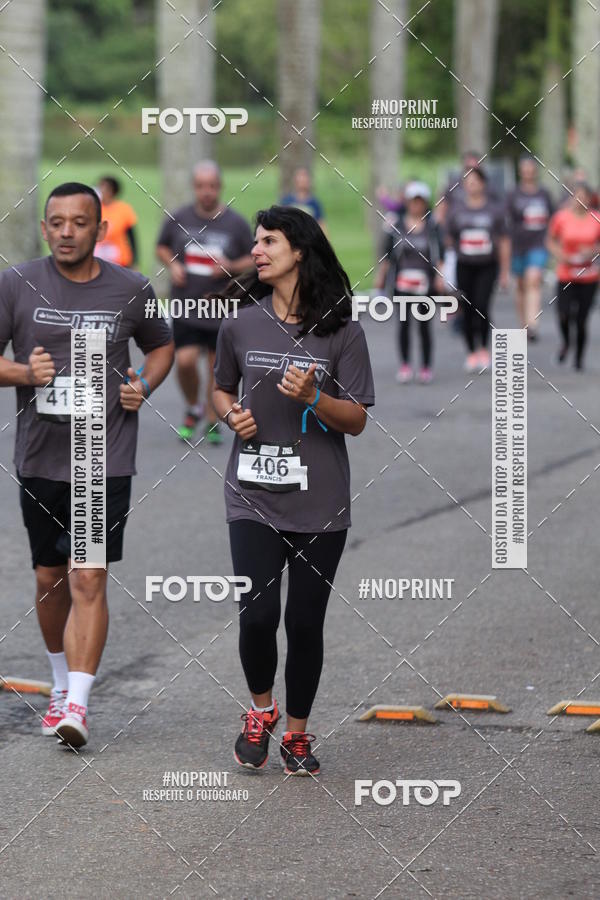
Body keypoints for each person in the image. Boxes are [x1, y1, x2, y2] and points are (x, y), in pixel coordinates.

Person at [0, 182, 173, 748]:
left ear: (101, 230)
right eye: (56, 222)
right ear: (44, 228)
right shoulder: (16, 283)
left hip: (102, 454)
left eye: (79, 222)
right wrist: (24, 373)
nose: (67, 232)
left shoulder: (131, 288)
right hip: (40, 456)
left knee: (88, 575)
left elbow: (161, 345)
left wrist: (144, 384)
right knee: (49, 578)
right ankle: (58, 682)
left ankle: (77, 703)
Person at [213, 205, 374, 776]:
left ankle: (298, 735)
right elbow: (220, 388)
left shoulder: (342, 330)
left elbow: (356, 419)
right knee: (257, 615)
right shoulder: (240, 323)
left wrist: (313, 398)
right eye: (256, 242)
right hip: (251, 494)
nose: (256, 250)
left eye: (269, 242)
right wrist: (230, 414)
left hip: (320, 502)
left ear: (300, 251)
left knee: (304, 623)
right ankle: (261, 710)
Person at [156, 161, 254, 443]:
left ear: (219, 187)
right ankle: (193, 407)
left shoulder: (235, 223)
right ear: (194, 187)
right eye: (201, 186)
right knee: (184, 361)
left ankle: (212, 419)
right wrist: (173, 264)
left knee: (214, 367)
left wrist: (230, 266)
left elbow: (253, 257)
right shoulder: (179, 217)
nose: (206, 192)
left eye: (211, 186)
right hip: (186, 306)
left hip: (221, 307)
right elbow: (162, 247)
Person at [375, 181, 443, 384]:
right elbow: (388, 256)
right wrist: (381, 277)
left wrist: (440, 277)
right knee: (404, 325)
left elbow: (439, 254)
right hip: (402, 286)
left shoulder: (432, 228)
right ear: (407, 202)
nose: (416, 205)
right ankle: (405, 365)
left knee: (424, 326)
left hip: (425, 287)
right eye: (413, 201)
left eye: (420, 201)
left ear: (425, 203)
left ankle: (425, 367)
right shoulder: (396, 227)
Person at [446, 167, 510, 372]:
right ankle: (471, 351)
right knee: (467, 307)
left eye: (475, 181)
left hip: (487, 265)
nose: (471, 185)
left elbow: (504, 240)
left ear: (483, 184)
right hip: (464, 265)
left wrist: (504, 272)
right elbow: (449, 239)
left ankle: (483, 348)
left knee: (482, 305)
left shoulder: (494, 210)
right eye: (468, 182)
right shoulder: (456, 210)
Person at [547, 181, 600, 370]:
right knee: (563, 314)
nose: (580, 200)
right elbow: (551, 240)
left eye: (584, 197)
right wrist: (561, 255)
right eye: (577, 196)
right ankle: (566, 342)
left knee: (581, 319)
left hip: (588, 276)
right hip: (566, 274)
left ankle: (579, 359)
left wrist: (594, 251)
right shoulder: (561, 218)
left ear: (590, 199)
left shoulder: (596, 218)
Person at [506, 156, 554, 340]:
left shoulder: (544, 194)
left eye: (531, 169)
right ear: (520, 172)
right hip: (518, 245)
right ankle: (524, 323)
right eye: (524, 170)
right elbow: (506, 221)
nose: (528, 173)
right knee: (521, 284)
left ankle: (532, 323)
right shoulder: (513, 194)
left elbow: (552, 218)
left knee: (533, 280)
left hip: (538, 244)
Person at [94, 176, 138, 268]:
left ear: (112, 191)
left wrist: (135, 261)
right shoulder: (93, 207)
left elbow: (131, 237)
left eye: (103, 187)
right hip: (97, 261)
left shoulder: (124, 209)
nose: (100, 190)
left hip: (120, 262)